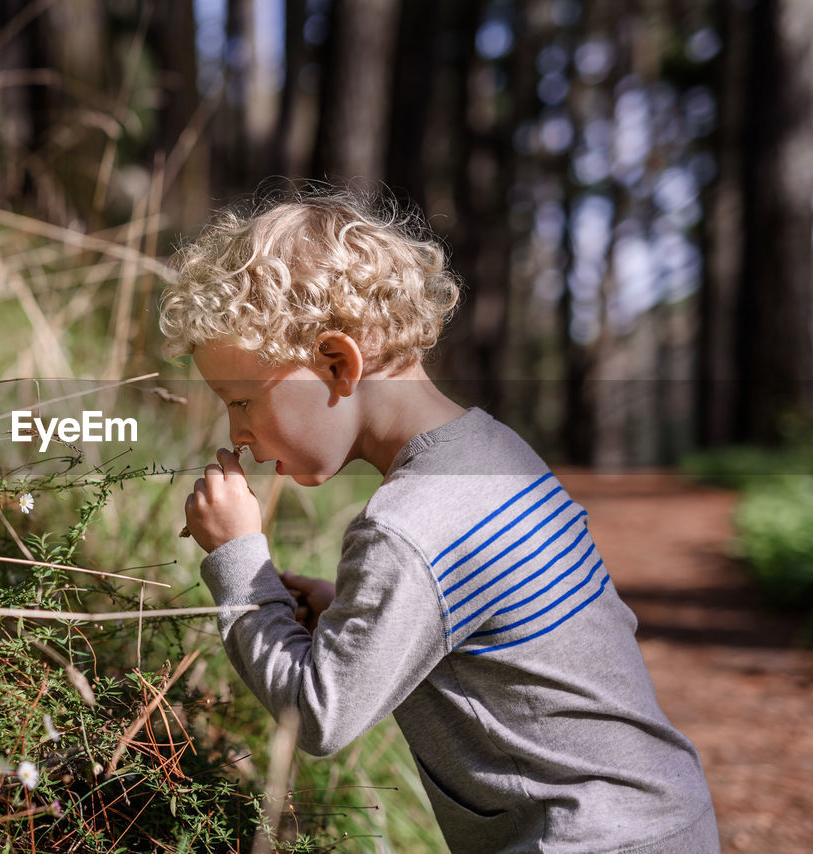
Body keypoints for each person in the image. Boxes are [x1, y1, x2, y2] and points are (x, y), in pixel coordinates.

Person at [158, 190, 719, 854]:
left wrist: (240, 562)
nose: (238, 434)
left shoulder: (407, 528)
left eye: (243, 400)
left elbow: (319, 716)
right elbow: (488, 627)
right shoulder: (491, 453)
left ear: (338, 365)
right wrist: (354, 614)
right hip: (659, 818)